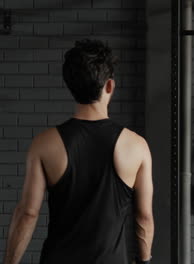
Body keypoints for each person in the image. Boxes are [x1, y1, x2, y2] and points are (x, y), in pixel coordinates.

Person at [3, 39, 154, 264]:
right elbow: (143, 216)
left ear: (71, 86)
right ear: (110, 86)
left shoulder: (44, 144)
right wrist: (144, 261)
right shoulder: (136, 145)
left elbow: (28, 213)